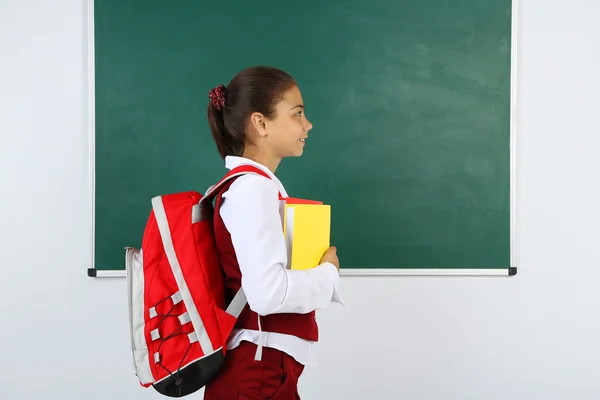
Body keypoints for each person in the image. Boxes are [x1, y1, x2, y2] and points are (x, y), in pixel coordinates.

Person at [202, 66, 345, 399]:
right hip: (258, 372)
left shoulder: (250, 187)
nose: (307, 124)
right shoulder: (253, 190)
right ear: (261, 123)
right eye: (297, 113)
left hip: (261, 367)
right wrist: (328, 273)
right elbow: (267, 293)